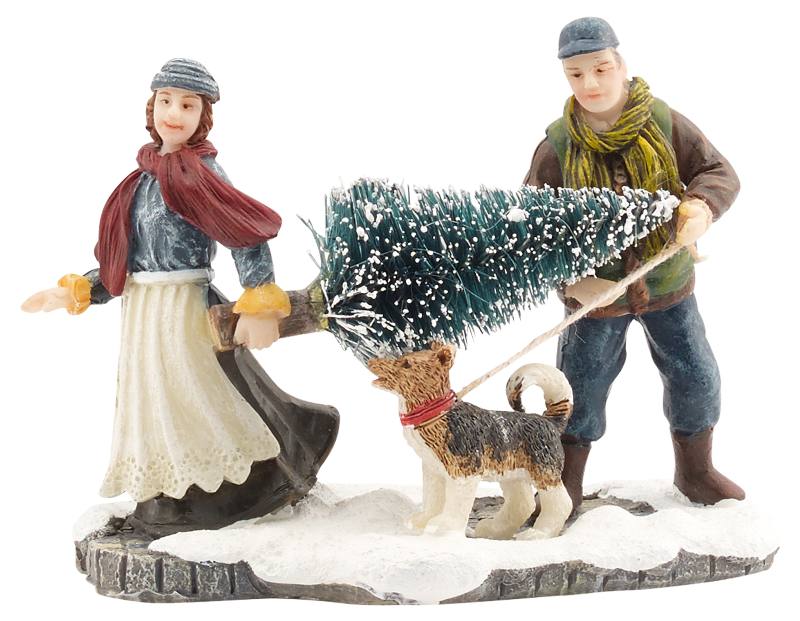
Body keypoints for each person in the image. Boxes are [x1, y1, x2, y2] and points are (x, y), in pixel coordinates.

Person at [23, 59, 338, 535]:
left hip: (184, 306)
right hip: (143, 311)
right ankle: (169, 491)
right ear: (151, 108)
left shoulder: (199, 174)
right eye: (166, 101)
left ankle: (236, 489)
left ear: (202, 116)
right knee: (152, 400)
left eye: (187, 105)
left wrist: (259, 300)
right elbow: (124, 258)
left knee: (197, 396)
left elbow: (244, 234)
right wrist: (77, 290)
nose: (174, 113)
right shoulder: (140, 180)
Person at [523, 18, 744, 509]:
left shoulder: (664, 123)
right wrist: (571, 281)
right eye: (576, 74)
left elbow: (717, 171)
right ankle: (564, 481)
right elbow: (532, 228)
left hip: (667, 283)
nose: (590, 84)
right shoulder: (558, 146)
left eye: (601, 68)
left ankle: (696, 471)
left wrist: (700, 207)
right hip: (596, 296)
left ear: (621, 66)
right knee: (580, 385)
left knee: (695, 375)